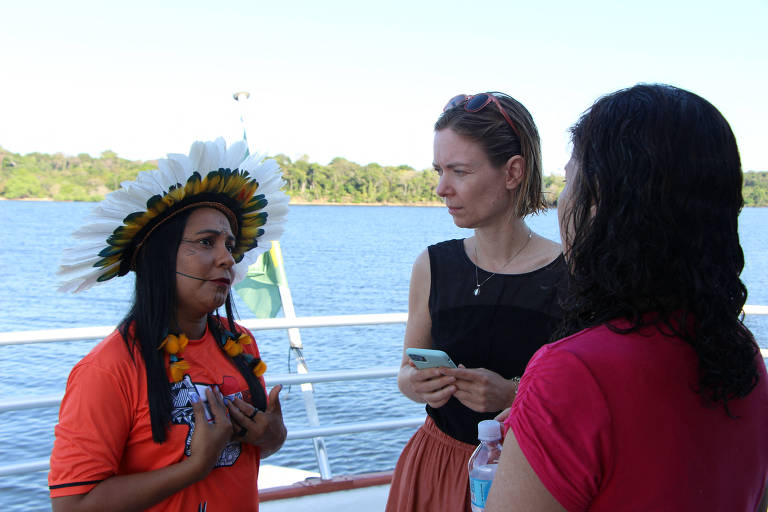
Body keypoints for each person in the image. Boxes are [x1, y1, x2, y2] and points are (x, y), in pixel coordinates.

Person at [486, 84, 768, 512]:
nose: (562, 201)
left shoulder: (572, 373)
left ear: (599, 204)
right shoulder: (742, 356)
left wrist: (550, 416)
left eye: (568, 181)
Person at [49, 138, 290, 511]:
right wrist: (194, 468)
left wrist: (273, 435)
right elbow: (73, 506)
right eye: (207, 242)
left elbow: (261, 447)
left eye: (229, 244)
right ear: (158, 259)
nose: (227, 258)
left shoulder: (240, 343)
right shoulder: (108, 369)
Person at [386, 92, 565, 511]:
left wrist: (513, 395)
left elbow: (583, 399)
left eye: (459, 171)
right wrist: (417, 384)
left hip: (525, 474)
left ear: (513, 172)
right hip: (434, 464)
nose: (441, 187)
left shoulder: (569, 273)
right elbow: (406, 373)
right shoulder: (431, 265)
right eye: (439, 170)